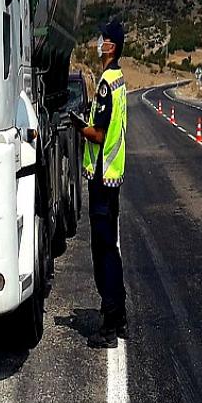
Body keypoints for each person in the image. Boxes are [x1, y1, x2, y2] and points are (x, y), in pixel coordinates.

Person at [72, 20, 127, 348]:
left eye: (103, 39)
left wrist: (79, 126)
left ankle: (109, 328)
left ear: (111, 47)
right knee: (111, 249)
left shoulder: (107, 83)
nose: (99, 43)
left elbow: (100, 134)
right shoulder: (119, 80)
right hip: (113, 177)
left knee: (103, 251)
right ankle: (120, 317)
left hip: (102, 180)